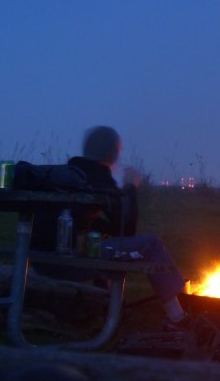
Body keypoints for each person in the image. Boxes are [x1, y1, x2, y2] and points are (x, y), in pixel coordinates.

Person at [31, 126, 191, 329]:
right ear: (112, 153)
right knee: (151, 244)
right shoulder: (99, 178)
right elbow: (126, 231)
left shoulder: (68, 173)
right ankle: (177, 315)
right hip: (64, 263)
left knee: (103, 242)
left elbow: (101, 226)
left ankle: (109, 310)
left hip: (38, 259)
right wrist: (130, 187)